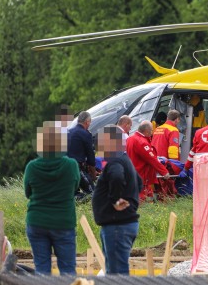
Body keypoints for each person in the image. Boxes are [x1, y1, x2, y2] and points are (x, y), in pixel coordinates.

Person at [24, 121, 80, 275]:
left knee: (41, 268)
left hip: (37, 221)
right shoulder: (71, 165)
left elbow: (28, 193)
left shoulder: (32, 167)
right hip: (63, 221)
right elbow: (75, 188)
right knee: (68, 269)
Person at [92, 125, 143, 275]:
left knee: (116, 275)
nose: (98, 148)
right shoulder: (124, 160)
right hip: (121, 224)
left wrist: (116, 200)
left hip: (117, 225)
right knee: (114, 270)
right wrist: (129, 199)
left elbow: (116, 177)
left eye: (100, 143)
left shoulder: (115, 162)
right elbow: (138, 183)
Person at [126, 121, 170, 202]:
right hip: (141, 176)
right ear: (146, 131)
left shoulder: (130, 139)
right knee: (143, 199)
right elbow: (152, 159)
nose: (152, 133)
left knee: (146, 197)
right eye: (151, 131)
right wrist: (164, 172)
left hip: (132, 174)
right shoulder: (142, 142)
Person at [67, 111, 96, 199]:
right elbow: (91, 157)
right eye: (90, 122)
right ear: (87, 122)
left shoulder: (68, 132)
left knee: (73, 193)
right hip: (75, 167)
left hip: (63, 168)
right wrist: (93, 174)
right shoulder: (86, 134)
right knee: (93, 193)